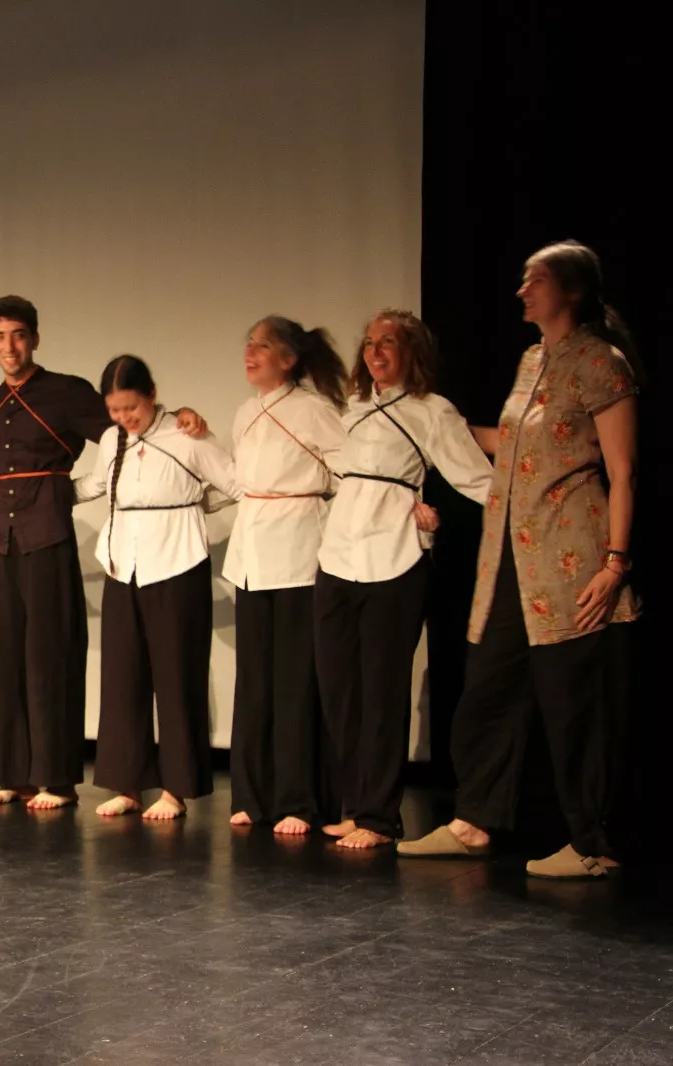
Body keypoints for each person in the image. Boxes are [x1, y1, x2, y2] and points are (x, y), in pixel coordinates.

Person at [399, 240, 640, 878]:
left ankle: (591, 845)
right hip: (511, 556)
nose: (522, 291)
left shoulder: (601, 363)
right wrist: (442, 421)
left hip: (572, 556)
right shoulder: (532, 358)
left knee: (572, 702)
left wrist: (616, 563)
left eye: (536, 281)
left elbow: (623, 469)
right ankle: (473, 821)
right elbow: (509, 445)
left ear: (574, 291)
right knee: (488, 688)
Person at [314, 311, 492, 848]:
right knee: (340, 688)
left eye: (387, 343)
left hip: (394, 556)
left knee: (382, 691)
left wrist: (445, 517)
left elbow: (475, 478)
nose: (375, 352)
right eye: (369, 343)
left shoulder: (432, 411)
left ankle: (378, 817)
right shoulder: (351, 409)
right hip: (337, 555)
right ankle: (355, 803)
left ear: (412, 351)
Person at [0, 296, 114, 809]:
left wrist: (76, 490)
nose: (8, 346)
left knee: (50, 655)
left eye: (18, 335)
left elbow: (123, 435)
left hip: (46, 534)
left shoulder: (66, 391)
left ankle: (55, 778)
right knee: (0, 657)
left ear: (35, 337)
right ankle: (10, 773)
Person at [74, 356, 239, 819]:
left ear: (151, 396)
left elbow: (237, 481)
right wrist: (47, 491)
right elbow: (97, 483)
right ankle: (127, 784)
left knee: (176, 676)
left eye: (131, 408)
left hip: (178, 562)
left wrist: (198, 503)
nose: (124, 418)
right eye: (115, 410)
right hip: (122, 562)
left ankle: (176, 789)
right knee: (123, 676)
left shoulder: (187, 435)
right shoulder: (112, 440)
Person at [223, 318, 348, 835]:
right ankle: (253, 794)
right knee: (254, 680)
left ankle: (300, 797)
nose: (250, 353)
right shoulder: (245, 412)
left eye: (263, 346)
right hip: (251, 553)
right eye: (247, 344)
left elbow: (347, 476)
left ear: (290, 358)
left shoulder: (315, 410)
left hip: (298, 552)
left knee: (296, 679)